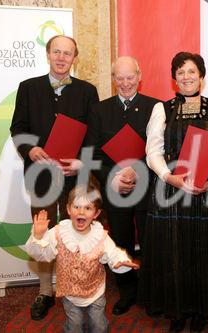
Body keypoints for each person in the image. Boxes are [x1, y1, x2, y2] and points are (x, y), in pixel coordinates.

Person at [138, 52, 208, 332]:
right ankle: (177, 311)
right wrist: (168, 176)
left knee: (204, 251)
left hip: (206, 190)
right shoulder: (162, 109)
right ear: (174, 78)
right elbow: (152, 151)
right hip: (170, 190)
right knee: (173, 251)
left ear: (202, 76)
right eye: (180, 72)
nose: (186, 77)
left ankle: (201, 311)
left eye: (192, 71)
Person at [10, 35, 99, 320]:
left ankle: (78, 285)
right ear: (48, 55)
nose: (62, 58)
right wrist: (30, 148)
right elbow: (18, 128)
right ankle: (46, 291)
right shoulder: (28, 88)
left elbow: (95, 134)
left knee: (77, 231)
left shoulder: (87, 91)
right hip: (41, 176)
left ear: (75, 58)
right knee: (43, 231)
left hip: (76, 178)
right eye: (57, 52)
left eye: (68, 53)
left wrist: (81, 162)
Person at [84, 56, 159, 315]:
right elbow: (91, 155)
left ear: (139, 77)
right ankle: (127, 291)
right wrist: (114, 178)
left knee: (151, 241)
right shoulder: (99, 110)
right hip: (115, 190)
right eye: (120, 78)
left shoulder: (155, 107)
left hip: (148, 187)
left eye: (130, 77)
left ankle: (151, 292)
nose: (125, 83)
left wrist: (139, 174)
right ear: (113, 79)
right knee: (120, 242)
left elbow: (162, 151)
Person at [25, 184, 139, 333]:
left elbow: (113, 253)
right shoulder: (59, 232)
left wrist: (120, 261)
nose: (81, 212)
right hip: (70, 292)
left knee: (99, 326)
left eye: (88, 208)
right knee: (75, 326)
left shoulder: (100, 235)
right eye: (76, 207)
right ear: (68, 209)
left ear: (96, 213)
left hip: (95, 290)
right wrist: (38, 237)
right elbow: (43, 254)